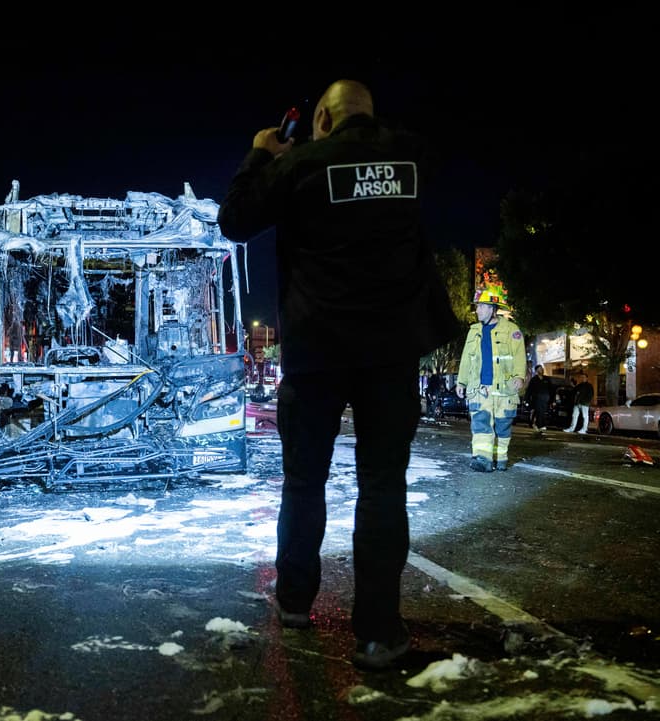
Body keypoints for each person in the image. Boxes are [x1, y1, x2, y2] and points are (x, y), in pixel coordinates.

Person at [217, 79, 460, 671]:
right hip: (388, 355)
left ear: (320, 119)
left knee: (304, 482)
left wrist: (261, 152)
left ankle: (296, 601)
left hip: (316, 352)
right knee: (382, 486)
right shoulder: (408, 156)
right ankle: (377, 634)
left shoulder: (300, 164)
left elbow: (234, 220)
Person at [456, 286, 527, 471]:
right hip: (480, 389)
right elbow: (466, 358)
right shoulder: (474, 331)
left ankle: (500, 459)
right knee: (480, 425)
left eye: (480, 306)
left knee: (503, 428)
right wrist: (461, 381)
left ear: (492, 308)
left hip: (504, 390)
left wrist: (520, 376)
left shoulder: (512, 330)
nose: (477, 310)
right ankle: (482, 460)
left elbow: (519, 355)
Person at [524, 364, 551, 433]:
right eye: (539, 369)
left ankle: (534, 423)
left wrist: (551, 399)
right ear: (536, 371)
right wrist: (526, 399)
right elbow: (529, 390)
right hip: (536, 399)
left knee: (542, 411)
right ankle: (541, 425)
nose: (541, 370)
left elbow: (551, 390)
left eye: (542, 369)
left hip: (545, 399)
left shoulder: (547, 379)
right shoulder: (534, 379)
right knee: (539, 411)